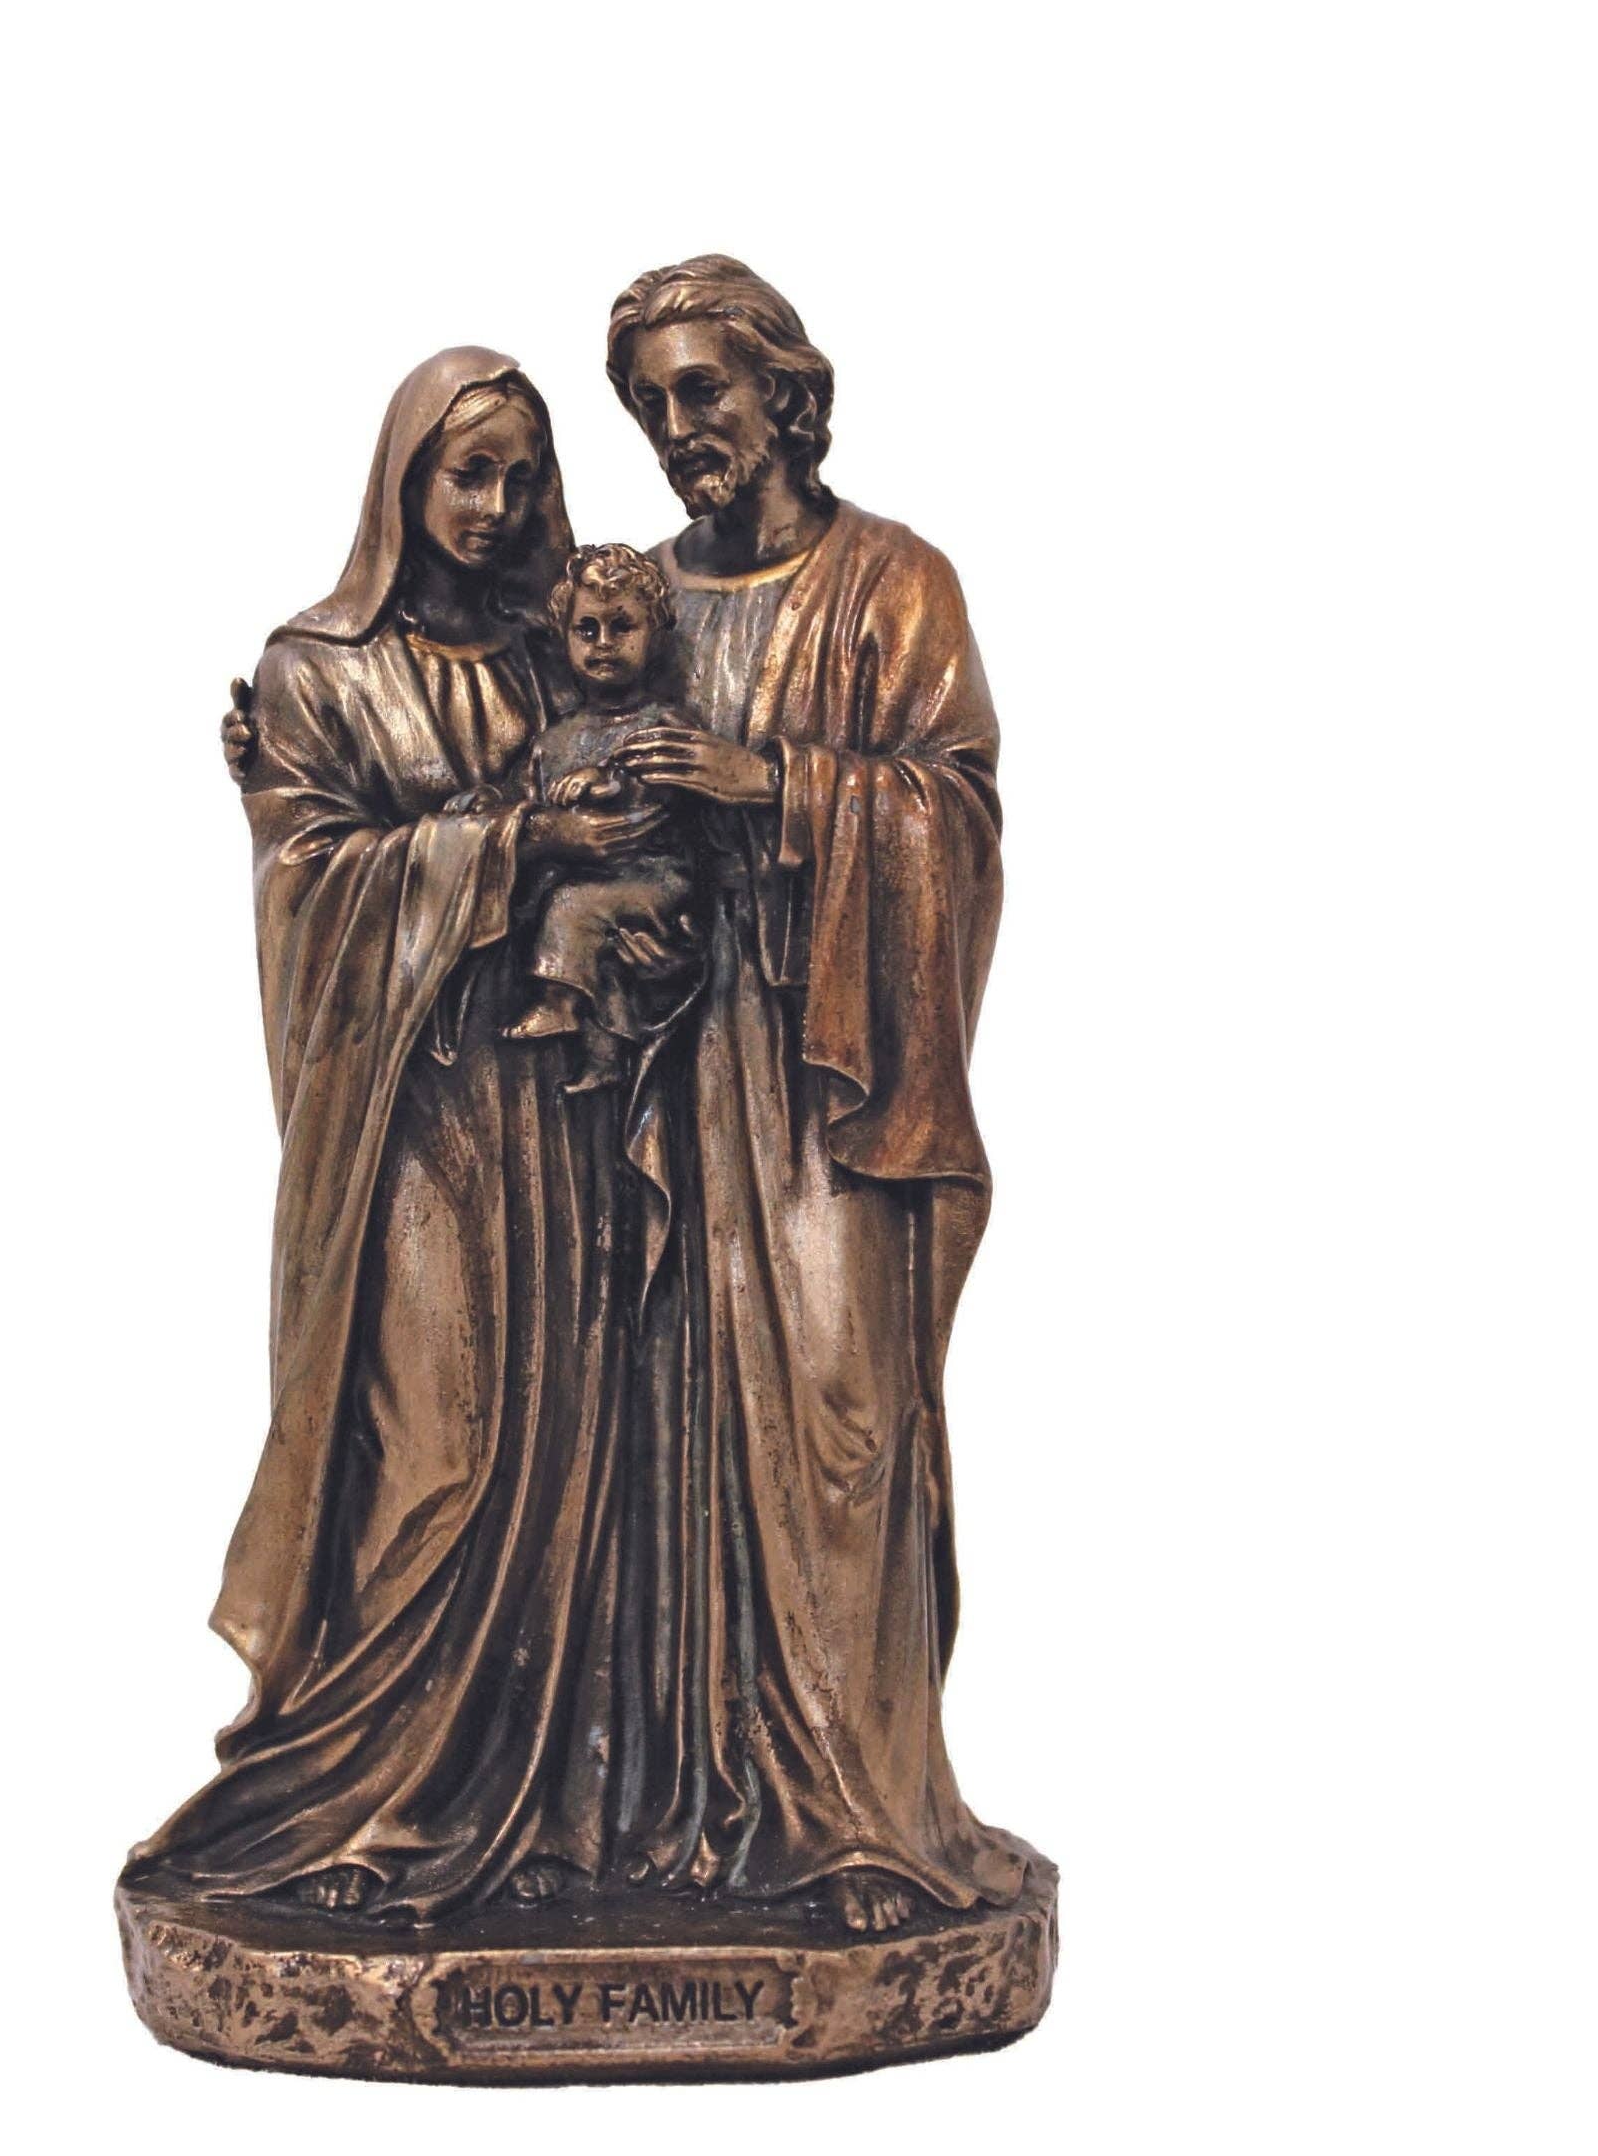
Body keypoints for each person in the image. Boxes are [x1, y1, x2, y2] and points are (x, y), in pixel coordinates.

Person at [124, 349, 669, 1920]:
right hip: (414, 1120)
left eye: (519, 477)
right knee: (438, 1447)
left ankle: (554, 1811)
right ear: (404, 478)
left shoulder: (563, 650)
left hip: (562, 1109)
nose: (494, 507)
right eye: (464, 473)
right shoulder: (319, 672)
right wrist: (517, 841)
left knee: (574, 1443)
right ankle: (373, 1799)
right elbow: (312, 886)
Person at [600, 256, 1035, 1933]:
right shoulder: (625, 593)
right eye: (650, 402)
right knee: (664, 1435)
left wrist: (770, 787)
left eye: (702, 390)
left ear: (787, 393)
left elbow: (957, 817)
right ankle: (679, 1817)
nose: (676, 428)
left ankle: (854, 1819)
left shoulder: (894, 586)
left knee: (843, 1423)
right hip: (655, 1086)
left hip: (833, 1089)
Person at [498, 542, 703, 1091]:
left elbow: (666, 789)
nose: (604, 643)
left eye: (622, 626)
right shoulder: (556, 739)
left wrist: (606, 780)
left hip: (657, 881)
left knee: (574, 907)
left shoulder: (664, 724)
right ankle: (602, 1060)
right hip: (595, 885)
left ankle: (559, 1004)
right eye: (586, 629)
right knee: (597, 949)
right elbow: (525, 802)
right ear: (563, 637)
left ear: (655, 634)